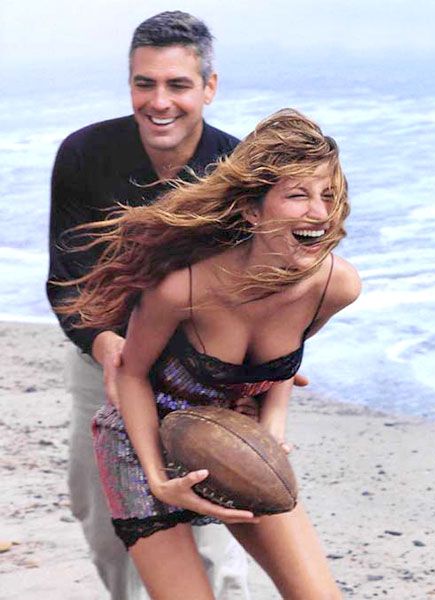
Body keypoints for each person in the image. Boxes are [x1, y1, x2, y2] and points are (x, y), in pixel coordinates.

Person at [56, 108, 361, 599]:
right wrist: (158, 478)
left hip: (231, 445)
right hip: (141, 446)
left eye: (327, 195)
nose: (320, 213)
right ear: (253, 210)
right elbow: (131, 375)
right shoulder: (183, 288)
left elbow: (286, 356)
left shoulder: (335, 285)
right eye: (298, 195)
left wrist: (272, 427)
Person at [47, 11, 275, 600]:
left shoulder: (241, 171)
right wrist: (106, 346)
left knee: (213, 534)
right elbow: (68, 279)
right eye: (144, 83)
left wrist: (272, 368)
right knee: (108, 526)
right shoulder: (83, 154)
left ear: (209, 87)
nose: (159, 101)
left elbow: (265, 289)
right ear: (130, 83)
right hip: (105, 362)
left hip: (202, 377)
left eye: (178, 84)